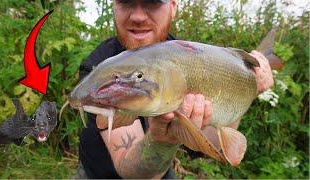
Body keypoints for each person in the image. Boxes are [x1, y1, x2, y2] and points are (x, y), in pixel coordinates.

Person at [77, 0, 274, 178]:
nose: (137, 16)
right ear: (114, 6)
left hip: (162, 171)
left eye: (152, 3)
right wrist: (162, 141)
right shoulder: (99, 67)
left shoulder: (188, 54)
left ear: (173, 7)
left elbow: (211, 143)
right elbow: (130, 169)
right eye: (126, 2)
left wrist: (250, 85)